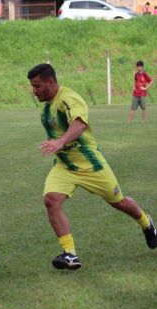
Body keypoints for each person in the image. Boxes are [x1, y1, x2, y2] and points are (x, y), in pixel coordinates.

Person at [27, 63, 156, 270]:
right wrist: (59, 145)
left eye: (37, 86)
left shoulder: (69, 99)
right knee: (51, 200)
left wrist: (60, 142)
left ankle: (146, 223)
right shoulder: (48, 105)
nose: (34, 91)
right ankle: (70, 255)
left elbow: (79, 123)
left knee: (119, 202)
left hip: (91, 165)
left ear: (51, 82)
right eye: (33, 87)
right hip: (65, 166)